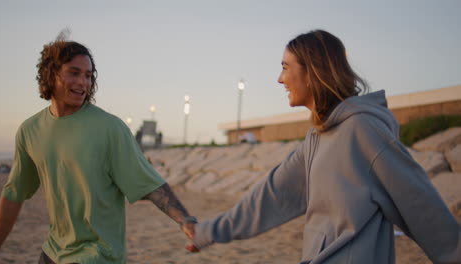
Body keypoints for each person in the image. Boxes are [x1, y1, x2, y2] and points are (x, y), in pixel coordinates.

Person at [186, 29, 461, 263]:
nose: (279, 79)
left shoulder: (363, 129)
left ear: (312, 71)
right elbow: (271, 195)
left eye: (285, 67)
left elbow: (420, 204)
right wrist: (207, 232)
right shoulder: (319, 136)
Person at [0, 38, 197, 264]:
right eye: (74, 73)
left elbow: (149, 184)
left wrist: (185, 219)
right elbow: (14, 193)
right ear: (51, 74)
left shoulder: (110, 128)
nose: (83, 82)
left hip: (98, 255)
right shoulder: (30, 131)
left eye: (88, 76)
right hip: (53, 252)